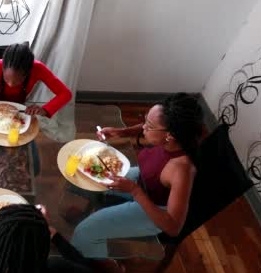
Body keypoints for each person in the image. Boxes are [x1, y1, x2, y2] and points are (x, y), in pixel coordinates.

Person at [71, 93, 203, 260]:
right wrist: (122, 131)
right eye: (145, 119)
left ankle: (107, 269)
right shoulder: (168, 138)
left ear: (170, 135)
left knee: (85, 231)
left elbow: (173, 227)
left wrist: (135, 191)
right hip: (144, 181)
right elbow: (147, 126)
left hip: (154, 208)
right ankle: (90, 209)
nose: (143, 128)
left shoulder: (182, 169)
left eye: (149, 125)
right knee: (85, 174)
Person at [0, 43, 72, 117]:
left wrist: (45, 110)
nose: (11, 84)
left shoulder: (38, 68)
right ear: (2, 68)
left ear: (28, 73)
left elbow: (66, 94)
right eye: (6, 79)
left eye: (18, 81)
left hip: (17, 112)